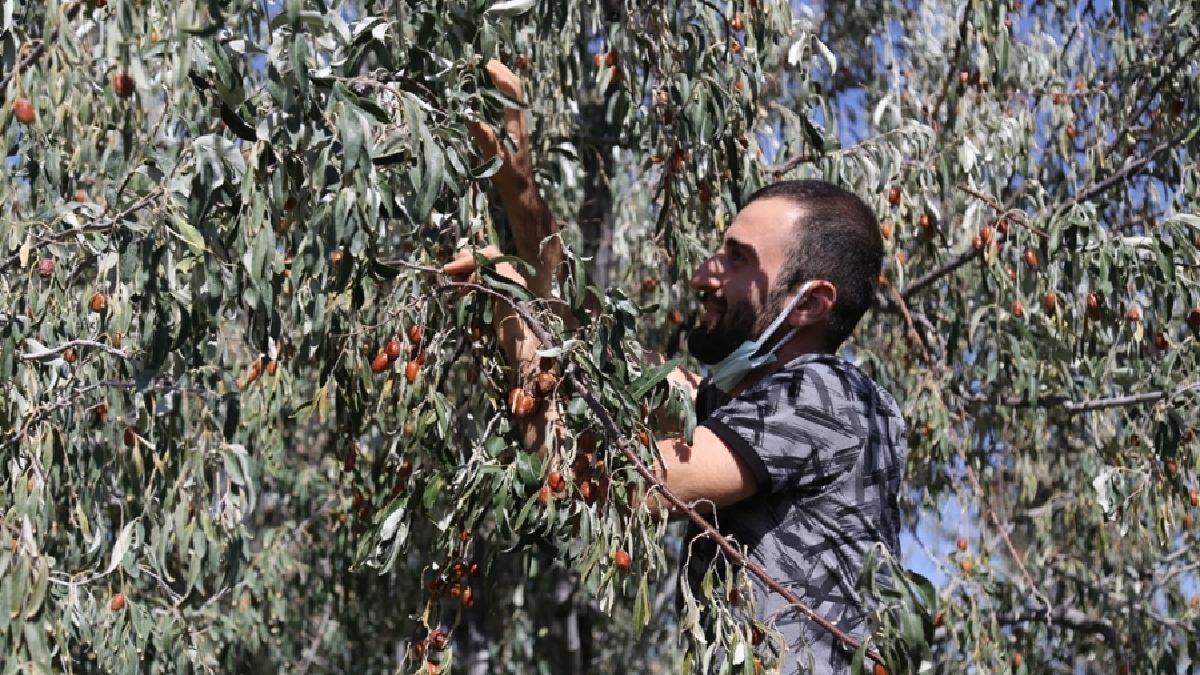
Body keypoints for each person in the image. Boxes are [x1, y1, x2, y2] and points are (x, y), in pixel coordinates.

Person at [445, 60, 907, 675]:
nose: (702, 274)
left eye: (737, 260)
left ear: (810, 305)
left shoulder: (828, 398)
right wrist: (519, 187)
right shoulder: (736, 408)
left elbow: (608, 488)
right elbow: (589, 344)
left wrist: (508, 307)